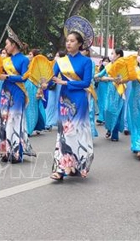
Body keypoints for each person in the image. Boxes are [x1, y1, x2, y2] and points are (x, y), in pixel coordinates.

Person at [49, 16, 94, 180]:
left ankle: (78, 164)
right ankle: (61, 169)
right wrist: (43, 83)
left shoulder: (86, 62)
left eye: (72, 41)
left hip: (79, 100)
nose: (68, 44)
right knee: (64, 133)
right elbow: (51, 78)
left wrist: (66, 83)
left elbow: (86, 83)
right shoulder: (61, 61)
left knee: (77, 132)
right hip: (64, 100)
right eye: (67, 41)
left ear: (80, 44)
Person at [0, 27, 35, 163]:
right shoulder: (5, 61)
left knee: (14, 122)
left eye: (7, 44)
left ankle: (16, 153)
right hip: (5, 92)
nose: (5, 46)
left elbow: (23, 78)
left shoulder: (23, 60)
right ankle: (4, 152)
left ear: (14, 45)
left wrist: (8, 77)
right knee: (3, 121)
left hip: (17, 92)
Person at [95, 48, 125, 141]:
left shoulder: (123, 65)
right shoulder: (108, 66)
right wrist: (95, 76)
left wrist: (107, 78)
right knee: (107, 110)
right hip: (109, 91)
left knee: (116, 112)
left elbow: (121, 78)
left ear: (118, 55)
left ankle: (115, 134)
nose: (111, 55)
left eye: (112, 53)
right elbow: (99, 76)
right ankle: (109, 128)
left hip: (118, 91)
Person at [26, 48, 46, 136]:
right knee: (27, 107)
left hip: (34, 87)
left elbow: (41, 78)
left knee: (32, 107)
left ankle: (29, 129)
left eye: (30, 54)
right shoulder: (26, 64)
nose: (29, 56)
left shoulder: (38, 66)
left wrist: (39, 89)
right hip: (26, 86)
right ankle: (28, 127)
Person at [81, 48, 98, 138]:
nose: (81, 52)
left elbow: (90, 76)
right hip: (78, 88)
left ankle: (89, 134)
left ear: (87, 51)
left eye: (82, 50)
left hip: (88, 88)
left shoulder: (90, 62)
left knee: (89, 111)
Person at [95, 56, 110, 124]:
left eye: (107, 61)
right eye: (104, 61)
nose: (105, 62)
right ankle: (101, 117)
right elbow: (96, 76)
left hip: (107, 87)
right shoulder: (100, 68)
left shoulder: (110, 68)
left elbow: (109, 78)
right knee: (100, 101)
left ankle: (103, 118)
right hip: (100, 87)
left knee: (105, 102)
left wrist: (101, 78)